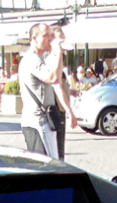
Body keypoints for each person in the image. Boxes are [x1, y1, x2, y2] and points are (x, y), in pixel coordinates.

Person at [19, 23, 63, 157]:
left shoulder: (37, 59)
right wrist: (58, 51)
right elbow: (53, 77)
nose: (50, 39)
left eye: (50, 35)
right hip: (38, 122)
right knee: (48, 166)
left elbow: (56, 78)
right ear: (34, 38)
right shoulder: (32, 59)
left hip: (40, 121)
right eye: (45, 35)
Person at [50, 25, 78, 160]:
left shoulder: (58, 58)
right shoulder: (52, 59)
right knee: (57, 151)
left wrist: (69, 90)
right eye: (60, 42)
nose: (63, 47)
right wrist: (69, 111)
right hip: (56, 108)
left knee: (59, 149)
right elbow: (56, 85)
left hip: (59, 108)